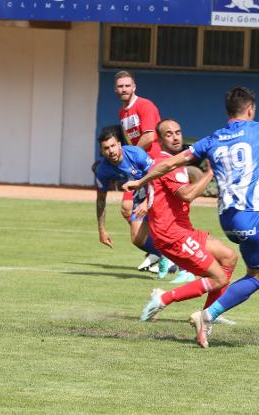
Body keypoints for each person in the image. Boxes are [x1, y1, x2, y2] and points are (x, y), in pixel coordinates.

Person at [123, 86, 259, 348]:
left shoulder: (212, 139)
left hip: (228, 220)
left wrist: (140, 181)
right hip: (251, 214)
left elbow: (168, 163)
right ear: (250, 109)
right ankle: (207, 315)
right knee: (258, 277)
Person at [139, 118, 238, 323]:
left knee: (229, 256)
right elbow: (187, 195)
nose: (175, 137)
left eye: (177, 132)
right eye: (168, 134)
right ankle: (163, 298)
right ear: (159, 139)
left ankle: (211, 312)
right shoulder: (164, 163)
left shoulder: (177, 163)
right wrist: (209, 174)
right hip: (171, 234)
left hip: (182, 229)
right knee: (218, 278)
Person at [115, 70, 164, 272]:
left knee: (157, 213)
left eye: (127, 85)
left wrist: (129, 155)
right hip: (137, 169)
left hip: (151, 165)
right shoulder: (122, 112)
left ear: (134, 87)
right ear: (115, 89)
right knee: (127, 208)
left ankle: (166, 255)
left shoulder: (145, 105)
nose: (124, 89)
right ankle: (157, 252)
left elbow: (150, 136)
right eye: (120, 86)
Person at [94, 126, 163, 265]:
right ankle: (164, 256)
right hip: (141, 192)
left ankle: (188, 259)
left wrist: (147, 203)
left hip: (159, 190)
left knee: (167, 229)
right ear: (102, 151)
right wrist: (102, 230)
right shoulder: (103, 170)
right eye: (106, 148)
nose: (111, 150)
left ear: (119, 144)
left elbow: (157, 177)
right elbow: (101, 200)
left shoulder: (136, 153)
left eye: (113, 145)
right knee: (137, 238)